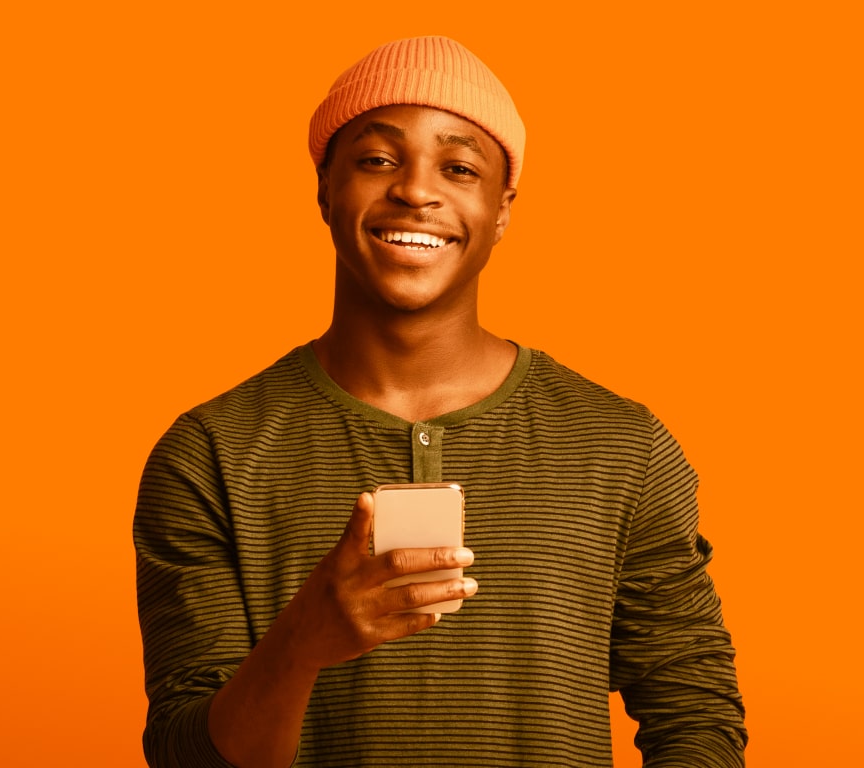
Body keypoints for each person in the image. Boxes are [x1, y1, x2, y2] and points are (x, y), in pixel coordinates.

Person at [133, 36, 746, 768]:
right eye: (377, 160)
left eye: (459, 168)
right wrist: (299, 644)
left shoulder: (621, 446)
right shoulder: (211, 453)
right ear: (324, 188)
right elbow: (184, 755)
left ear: (502, 209)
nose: (416, 191)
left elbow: (697, 714)